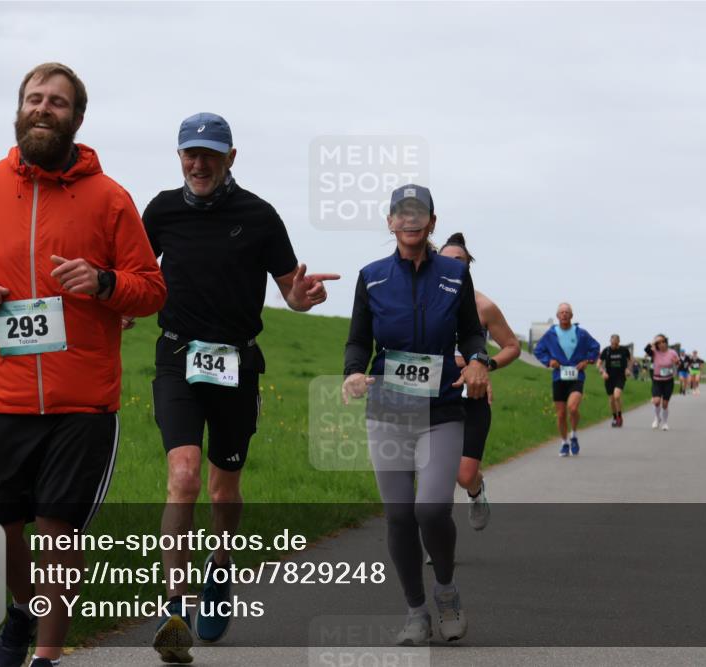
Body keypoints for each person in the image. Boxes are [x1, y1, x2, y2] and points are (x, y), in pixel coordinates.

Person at [0, 63, 167, 667]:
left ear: (77, 118)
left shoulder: (110, 199)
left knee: (56, 530)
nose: (44, 109)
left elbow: (152, 289)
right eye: (35, 99)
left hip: (83, 400)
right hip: (0, 394)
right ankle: (24, 610)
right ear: (20, 109)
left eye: (57, 102)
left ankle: (48, 656)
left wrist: (104, 283)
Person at [141, 113, 338, 663]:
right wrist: (124, 306)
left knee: (223, 490)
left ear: (231, 157)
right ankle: (173, 608)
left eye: (210, 154)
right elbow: (135, 272)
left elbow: (290, 292)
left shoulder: (259, 216)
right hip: (178, 357)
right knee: (182, 476)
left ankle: (220, 567)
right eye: (190, 154)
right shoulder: (160, 210)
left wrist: (302, 296)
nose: (198, 164)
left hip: (236, 365)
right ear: (179, 156)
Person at [343, 185, 489, 645]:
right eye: (400, 214)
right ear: (389, 222)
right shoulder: (371, 277)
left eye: (418, 213)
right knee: (400, 515)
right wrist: (351, 372)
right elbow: (358, 341)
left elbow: (470, 331)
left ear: (432, 221)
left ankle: (445, 590)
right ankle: (415, 612)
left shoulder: (453, 274)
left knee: (430, 508)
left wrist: (480, 359)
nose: (409, 221)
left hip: (442, 407)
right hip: (387, 407)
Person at [439, 233, 520, 530]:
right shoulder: (426, 302)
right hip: (434, 395)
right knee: (438, 473)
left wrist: (486, 365)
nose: (451, 266)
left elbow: (512, 346)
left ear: (468, 266)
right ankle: (438, 539)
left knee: (464, 474)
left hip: (472, 397)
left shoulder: (483, 306)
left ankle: (476, 491)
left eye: (458, 261)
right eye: (444, 261)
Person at [533, 303, 601, 456]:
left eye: (567, 312)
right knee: (561, 414)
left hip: (577, 375)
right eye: (561, 312)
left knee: (573, 408)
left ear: (571, 315)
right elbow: (538, 350)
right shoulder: (551, 333)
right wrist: (549, 361)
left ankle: (574, 434)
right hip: (559, 376)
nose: (564, 314)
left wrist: (587, 361)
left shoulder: (581, 333)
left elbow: (595, 347)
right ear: (557, 316)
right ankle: (564, 442)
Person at [643, 334, 680, 431]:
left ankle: (665, 423)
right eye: (659, 343)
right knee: (656, 402)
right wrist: (654, 341)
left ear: (666, 342)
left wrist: (676, 362)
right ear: (656, 344)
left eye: (663, 342)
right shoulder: (654, 352)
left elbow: (678, 363)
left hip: (668, 381)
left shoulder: (672, 352)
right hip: (657, 381)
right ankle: (657, 418)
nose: (661, 344)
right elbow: (646, 349)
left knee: (665, 404)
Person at [597, 334, 631, 427]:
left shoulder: (624, 350)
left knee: (617, 396)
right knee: (611, 399)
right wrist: (602, 372)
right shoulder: (606, 350)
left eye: (615, 344)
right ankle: (615, 417)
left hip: (620, 377)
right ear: (610, 342)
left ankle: (619, 417)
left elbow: (630, 360)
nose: (614, 346)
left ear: (619, 342)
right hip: (609, 377)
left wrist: (628, 369)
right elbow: (599, 363)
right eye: (612, 343)